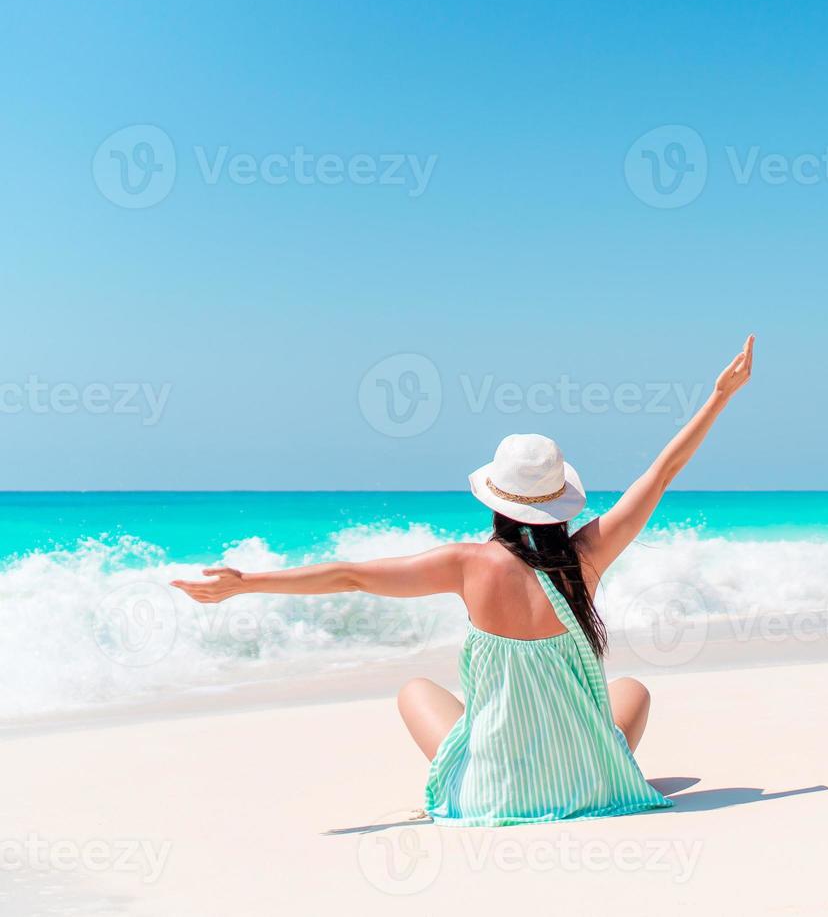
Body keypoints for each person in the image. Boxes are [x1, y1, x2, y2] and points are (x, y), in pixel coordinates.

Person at [171, 335, 755, 826]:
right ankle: (572, 770)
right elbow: (662, 472)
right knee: (635, 691)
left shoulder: (466, 564)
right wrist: (719, 397)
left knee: (414, 691)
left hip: (492, 796)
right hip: (588, 786)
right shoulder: (587, 557)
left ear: (497, 500)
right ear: (557, 503)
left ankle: (519, 774)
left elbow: (350, 576)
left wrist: (246, 583)